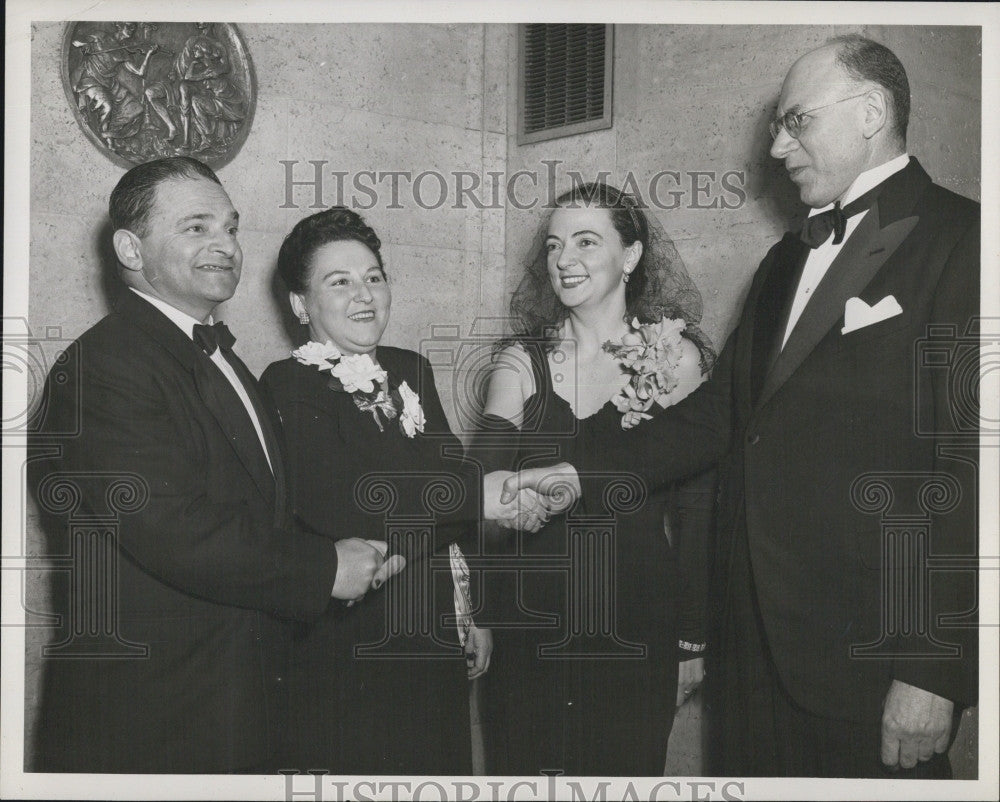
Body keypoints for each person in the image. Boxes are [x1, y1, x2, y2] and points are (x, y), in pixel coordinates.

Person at [504, 36, 979, 778]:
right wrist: (570, 471)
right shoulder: (786, 259)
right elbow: (717, 419)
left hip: (869, 664)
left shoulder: (968, 242)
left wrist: (935, 671)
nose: (776, 144)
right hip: (751, 653)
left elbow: (975, 471)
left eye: (796, 121)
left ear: (872, 112)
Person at [28, 157, 395, 773]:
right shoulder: (105, 365)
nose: (224, 246)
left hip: (232, 698)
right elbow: (171, 529)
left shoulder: (219, 355)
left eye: (231, 228)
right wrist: (324, 566)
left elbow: (259, 506)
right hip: (152, 716)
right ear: (130, 248)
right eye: (196, 228)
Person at [260, 207, 522, 774]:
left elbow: (438, 492)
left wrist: (473, 610)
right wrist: (465, 498)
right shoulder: (288, 384)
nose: (364, 294)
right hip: (351, 645)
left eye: (373, 277)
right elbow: (343, 505)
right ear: (300, 305)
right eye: (340, 281)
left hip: (433, 625)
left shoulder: (412, 370)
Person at [474, 181, 717, 776]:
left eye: (586, 241)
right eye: (555, 245)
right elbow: (482, 489)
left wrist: (691, 637)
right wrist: (479, 612)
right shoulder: (519, 362)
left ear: (630, 256)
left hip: (637, 621)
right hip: (529, 621)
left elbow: (697, 508)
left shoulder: (677, 360)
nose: (564, 260)